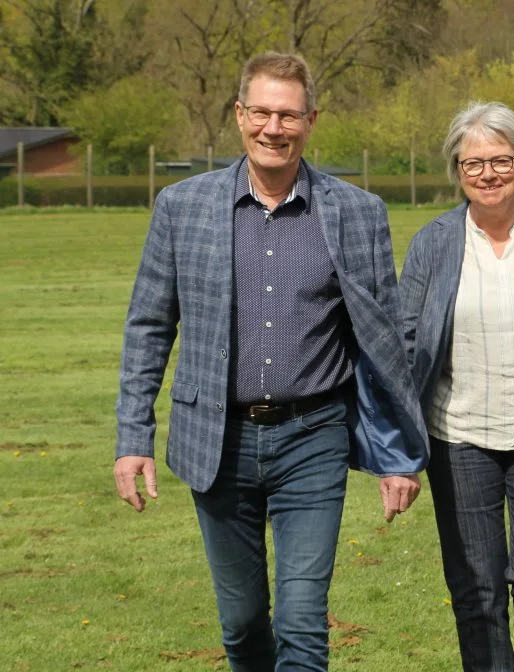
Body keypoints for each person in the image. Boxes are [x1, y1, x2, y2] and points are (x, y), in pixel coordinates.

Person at [112, 51, 427, 671]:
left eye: (288, 115)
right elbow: (149, 326)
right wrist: (133, 436)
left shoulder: (357, 212)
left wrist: (398, 457)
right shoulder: (183, 207)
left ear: (312, 119)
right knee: (242, 624)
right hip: (217, 441)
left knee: (304, 623)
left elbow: (384, 343)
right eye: (261, 113)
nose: (273, 128)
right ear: (238, 114)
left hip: (313, 438)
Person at [397, 102, 514, 672]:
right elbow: (405, 338)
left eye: (500, 160)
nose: (487, 174)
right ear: (457, 170)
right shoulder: (434, 242)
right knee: (475, 586)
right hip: (458, 433)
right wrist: (396, 442)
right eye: (472, 163)